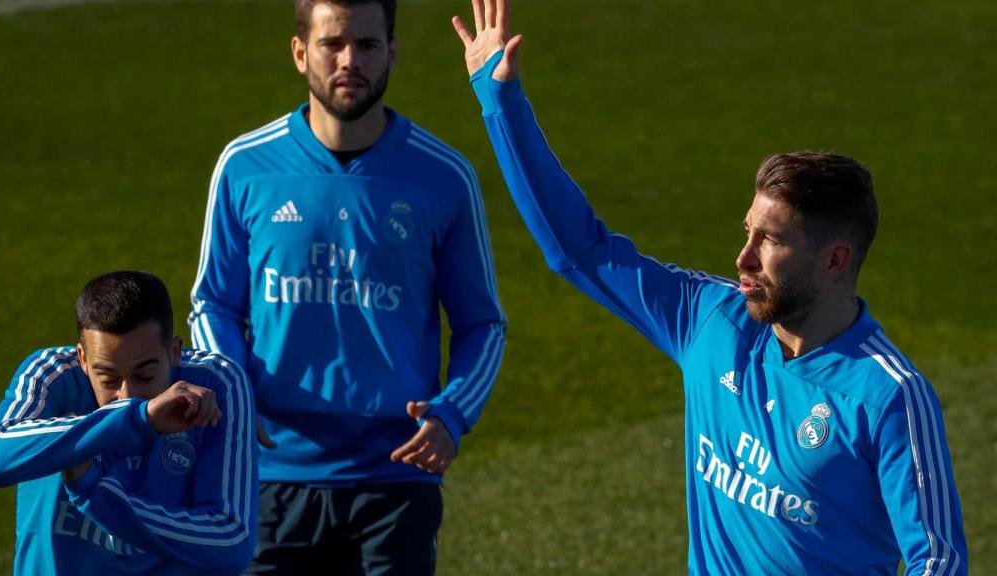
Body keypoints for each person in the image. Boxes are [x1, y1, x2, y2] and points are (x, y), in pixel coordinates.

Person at [451, 0, 968, 573]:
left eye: (770, 241)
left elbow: (937, 560)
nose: (742, 258)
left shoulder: (887, 396)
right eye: (746, 231)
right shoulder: (712, 320)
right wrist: (498, 100)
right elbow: (579, 251)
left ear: (834, 260)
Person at [188, 0, 506, 572]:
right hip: (269, 477)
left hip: (395, 476)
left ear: (393, 52)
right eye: (333, 43)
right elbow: (212, 302)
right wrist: (233, 393)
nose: (349, 60)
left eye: (367, 45)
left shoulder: (444, 176)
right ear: (299, 51)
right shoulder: (244, 166)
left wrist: (451, 415)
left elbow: (482, 323)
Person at [0, 270, 258, 576]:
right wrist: (139, 419)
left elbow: (231, 544)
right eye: (108, 378)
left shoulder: (216, 384)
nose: (127, 395)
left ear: (174, 352)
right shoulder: (52, 373)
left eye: (145, 376)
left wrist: (93, 491)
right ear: (82, 359)